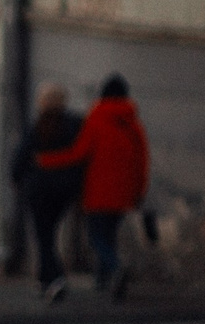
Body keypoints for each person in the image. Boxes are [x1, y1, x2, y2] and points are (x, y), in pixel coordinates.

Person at [39, 72, 150, 301]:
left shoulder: (96, 119)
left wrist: (46, 161)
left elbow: (78, 154)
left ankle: (115, 268)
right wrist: (139, 191)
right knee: (108, 234)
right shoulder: (133, 124)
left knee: (97, 237)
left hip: (98, 192)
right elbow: (142, 161)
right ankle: (103, 280)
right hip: (125, 193)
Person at [12, 82, 84, 301]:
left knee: (44, 237)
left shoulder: (38, 126)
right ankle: (47, 279)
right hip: (64, 191)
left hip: (39, 191)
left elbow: (20, 158)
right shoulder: (73, 126)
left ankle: (54, 279)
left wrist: (17, 180)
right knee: (49, 235)